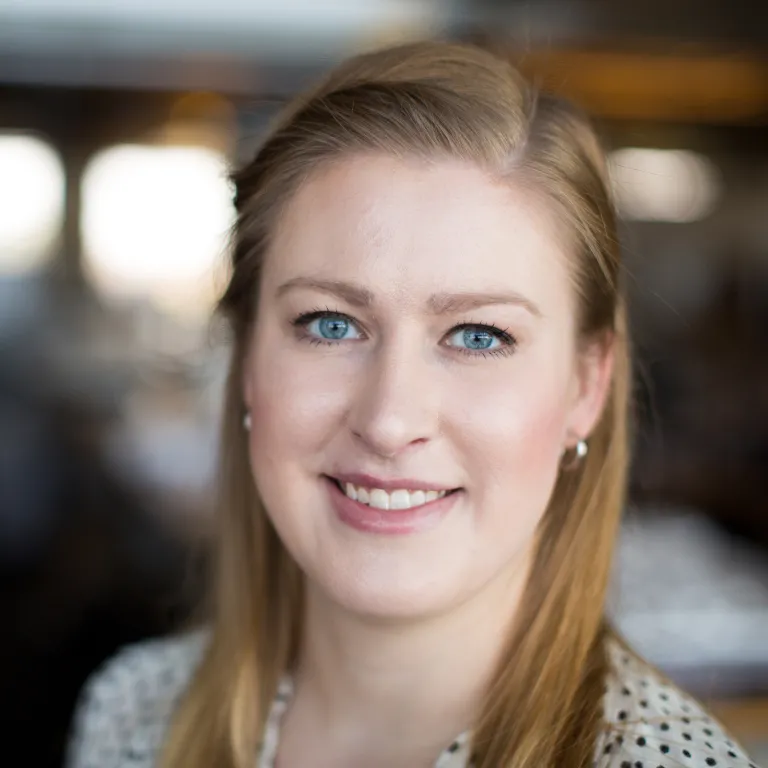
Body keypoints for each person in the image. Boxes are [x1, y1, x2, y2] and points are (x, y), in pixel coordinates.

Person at [65, 41, 761, 768]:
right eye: (330, 324)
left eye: (479, 336)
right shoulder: (133, 711)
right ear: (245, 361)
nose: (390, 421)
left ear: (586, 387)